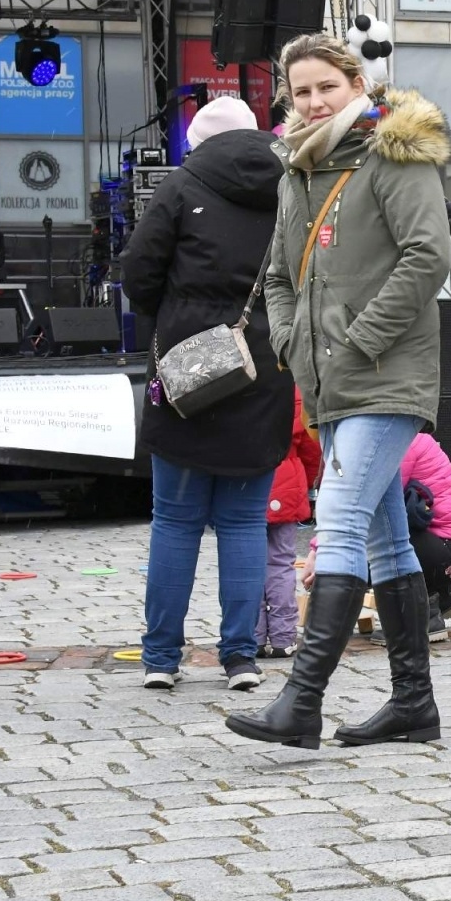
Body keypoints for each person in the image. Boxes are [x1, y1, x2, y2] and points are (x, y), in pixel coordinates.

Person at [224, 33, 451, 750]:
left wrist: (358, 340)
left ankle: (302, 702)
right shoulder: (297, 168)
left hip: (386, 375)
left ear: (357, 83)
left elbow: (428, 256)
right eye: (302, 91)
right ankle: (414, 705)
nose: (315, 100)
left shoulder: (394, 152)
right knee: (386, 539)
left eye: (327, 85)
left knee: (342, 516)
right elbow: (278, 276)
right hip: (327, 381)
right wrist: (292, 343)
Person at [120, 96, 293, 692]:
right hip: (263, 368)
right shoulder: (292, 184)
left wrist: (175, 316)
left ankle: (161, 660)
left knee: (175, 521)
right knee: (244, 524)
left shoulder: (181, 183)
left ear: (197, 141)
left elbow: (138, 274)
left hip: (185, 371)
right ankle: (240, 658)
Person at [396, 432, 451, 636]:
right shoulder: (414, 436)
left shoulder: (402, 444)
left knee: (381, 539)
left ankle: (423, 617)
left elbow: (375, 503)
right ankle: (443, 595)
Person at [259, 389, 321, 658]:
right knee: (281, 563)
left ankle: (252, 636)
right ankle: (283, 637)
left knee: (247, 563)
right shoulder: (294, 388)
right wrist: (305, 483)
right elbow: (311, 448)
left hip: (245, 482)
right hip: (286, 484)